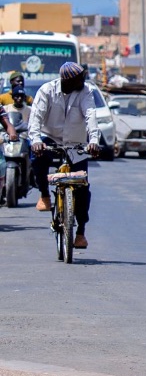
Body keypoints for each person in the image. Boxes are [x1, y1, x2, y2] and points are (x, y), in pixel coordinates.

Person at [28, 62, 102, 248]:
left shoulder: (85, 92)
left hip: (76, 143)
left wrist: (93, 141)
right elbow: (36, 117)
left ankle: (80, 232)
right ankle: (44, 195)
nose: (83, 81)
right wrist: (36, 140)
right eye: (80, 78)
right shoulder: (47, 91)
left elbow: (91, 116)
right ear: (67, 80)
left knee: (83, 187)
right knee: (37, 158)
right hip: (50, 138)